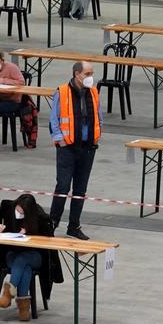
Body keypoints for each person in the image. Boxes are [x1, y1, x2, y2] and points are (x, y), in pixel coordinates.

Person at [0, 194, 61, 322]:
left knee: (23, 260)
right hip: (12, 254)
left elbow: (47, 238)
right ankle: (24, 310)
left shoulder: (39, 216)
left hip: (34, 255)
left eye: (22, 210)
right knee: (24, 267)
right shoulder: (8, 209)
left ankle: (8, 293)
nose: (19, 211)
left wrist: (29, 233)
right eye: (18, 208)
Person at [48, 61, 101, 240]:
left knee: (80, 189)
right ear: (77, 73)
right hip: (67, 148)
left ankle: (74, 226)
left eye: (91, 73)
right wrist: (60, 140)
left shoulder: (93, 92)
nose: (90, 77)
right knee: (62, 186)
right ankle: (52, 223)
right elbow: (54, 119)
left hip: (87, 147)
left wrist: (97, 135)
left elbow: (98, 115)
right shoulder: (61, 92)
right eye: (87, 73)